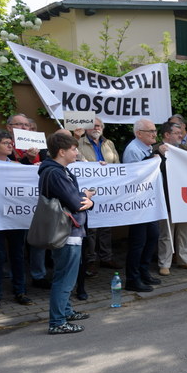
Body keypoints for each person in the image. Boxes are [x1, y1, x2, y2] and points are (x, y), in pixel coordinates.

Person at [38, 132, 94, 334]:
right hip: (66, 232)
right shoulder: (55, 173)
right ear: (61, 152)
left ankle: (66, 311)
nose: (77, 152)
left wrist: (84, 199)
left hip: (70, 231)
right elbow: (74, 203)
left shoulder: (59, 171)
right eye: (73, 149)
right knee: (65, 277)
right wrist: (87, 199)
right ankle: (57, 322)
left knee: (67, 275)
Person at [0, 130, 34, 311]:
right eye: (5, 143)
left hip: (15, 217)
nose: (10, 145)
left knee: (18, 255)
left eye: (10, 142)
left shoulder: (16, 164)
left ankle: (20, 291)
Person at [77, 117, 123, 276]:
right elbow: (76, 162)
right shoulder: (79, 143)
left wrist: (108, 167)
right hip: (89, 191)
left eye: (99, 125)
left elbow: (117, 163)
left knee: (106, 227)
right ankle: (91, 260)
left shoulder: (108, 143)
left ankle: (106, 257)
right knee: (91, 229)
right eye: (93, 125)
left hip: (107, 191)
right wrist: (96, 166)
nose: (96, 128)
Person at [122, 119, 164, 292]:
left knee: (152, 236)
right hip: (138, 203)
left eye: (155, 130)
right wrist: (152, 158)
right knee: (138, 241)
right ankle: (132, 279)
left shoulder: (146, 147)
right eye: (150, 131)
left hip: (149, 201)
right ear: (139, 133)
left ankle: (143, 271)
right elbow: (136, 175)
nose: (154, 134)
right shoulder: (133, 149)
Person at [156, 121, 187, 274]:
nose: (181, 135)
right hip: (168, 198)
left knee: (184, 232)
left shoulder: (185, 150)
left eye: (180, 132)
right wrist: (160, 156)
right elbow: (153, 170)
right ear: (167, 135)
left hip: (185, 198)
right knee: (167, 233)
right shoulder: (157, 150)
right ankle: (164, 263)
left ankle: (184, 259)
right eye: (177, 133)